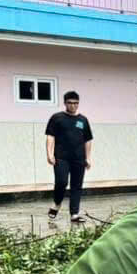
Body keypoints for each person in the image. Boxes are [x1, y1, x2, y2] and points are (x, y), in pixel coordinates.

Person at [46, 90, 93, 225]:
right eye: (70, 103)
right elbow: (50, 136)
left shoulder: (83, 120)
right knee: (61, 182)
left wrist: (88, 158)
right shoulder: (57, 118)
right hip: (61, 157)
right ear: (65, 103)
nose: (73, 106)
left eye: (75, 103)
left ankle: (74, 214)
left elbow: (88, 140)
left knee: (76, 186)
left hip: (79, 158)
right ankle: (56, 204)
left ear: (78, 103)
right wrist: (49, 154)